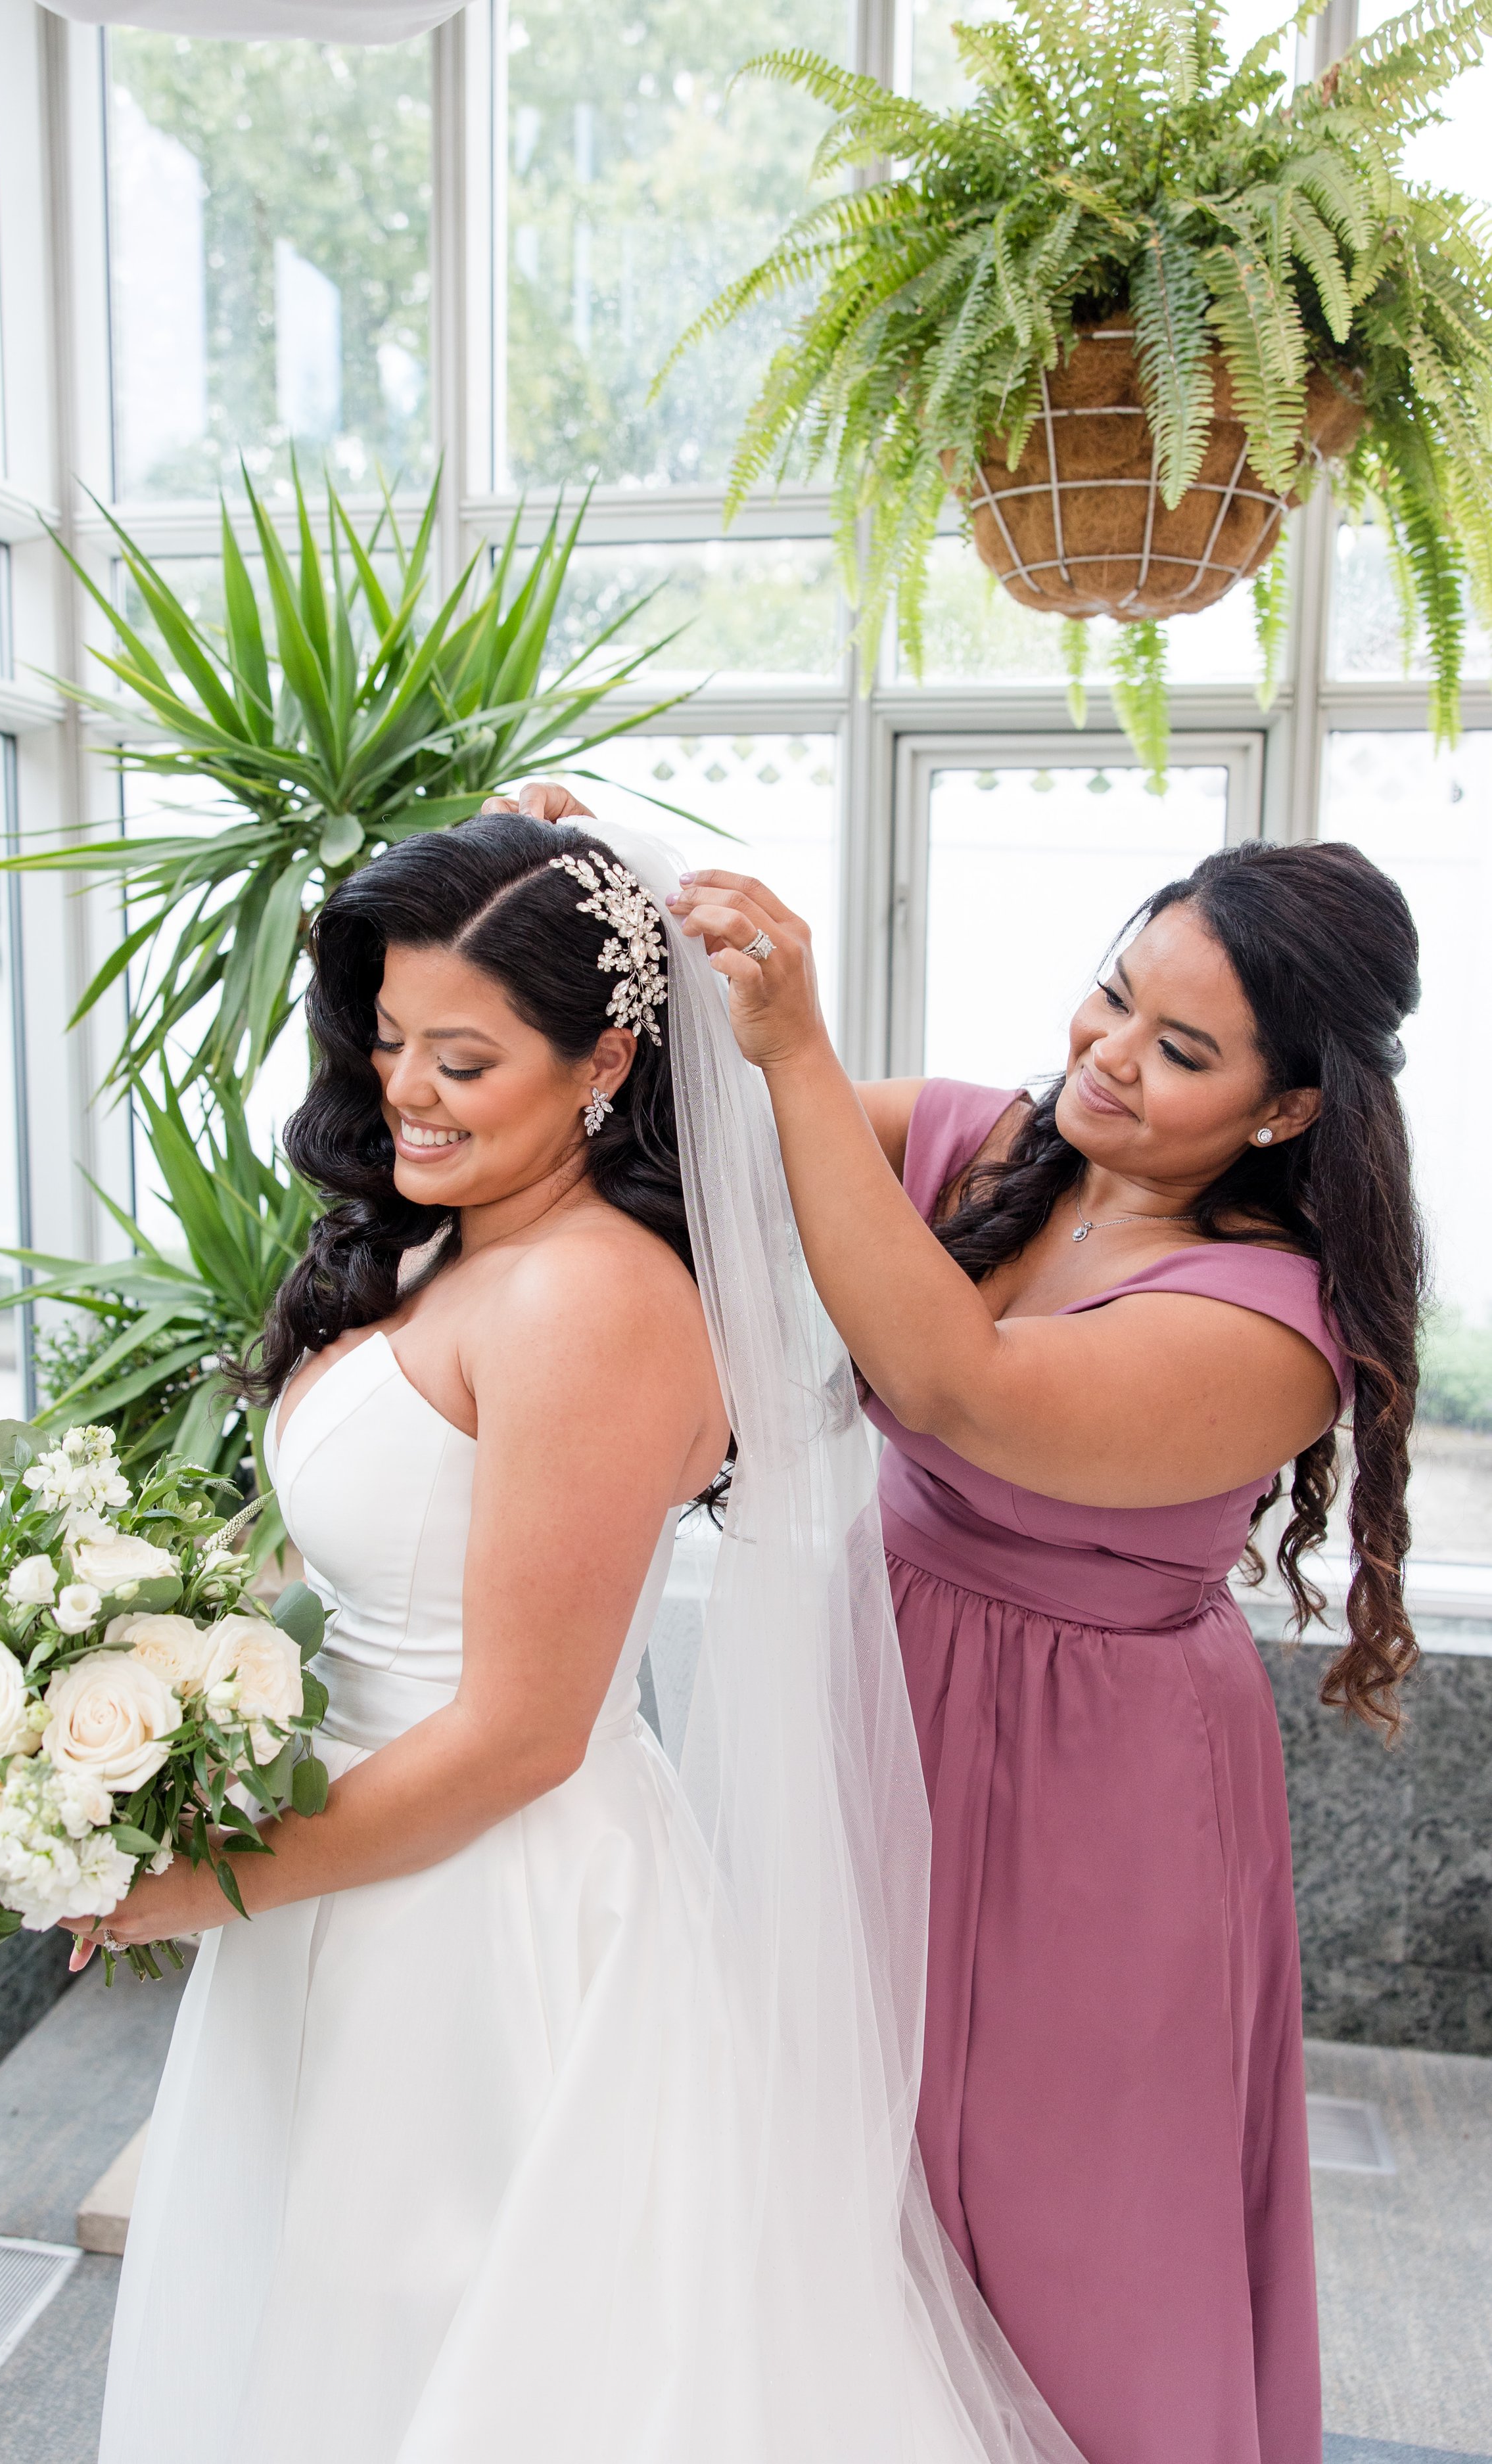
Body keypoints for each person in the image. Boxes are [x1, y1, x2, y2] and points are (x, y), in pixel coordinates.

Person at [74, 805, 1084, 2464]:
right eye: (390, 1037)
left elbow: (521, 1733)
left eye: (464, 1059)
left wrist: (199, 1878)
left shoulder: (591, 1301)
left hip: (484, 1914)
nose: (404, 1086)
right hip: (351, 1864)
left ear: (604, 1058)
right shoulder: (450, 1249)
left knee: (457, 2350)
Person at [667, 834, 1426, 2464]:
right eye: (1109, 995)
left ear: (1287, 1108)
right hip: (885, 1701)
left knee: (1065, 2210)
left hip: (1104, 1784)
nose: (1105, 1056)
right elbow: (715, 1136)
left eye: (1180, 1051)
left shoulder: (1265, 1325)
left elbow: (957, 1391)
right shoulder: (991, 1150)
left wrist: (799, 1046)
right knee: (839, 2153)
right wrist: (601, 895)